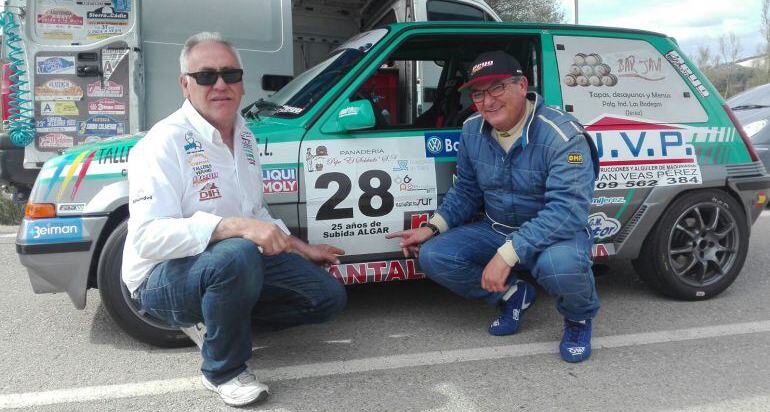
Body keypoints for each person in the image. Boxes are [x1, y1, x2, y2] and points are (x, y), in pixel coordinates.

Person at [122, 32, 347, 407]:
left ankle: (223, 322)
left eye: (230, 74)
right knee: (239, 251)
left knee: (327, 298)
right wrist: (234, 227)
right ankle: (223, 371)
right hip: (159, 279)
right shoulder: (162, 143)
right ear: (185, 84)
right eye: (206, 76)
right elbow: (147, 237)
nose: (221, 84)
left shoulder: (245, 138)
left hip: (227, 262)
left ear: (242, 82)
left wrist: (302, 248)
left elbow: (255, 212)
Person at [387, 50, 600, 363]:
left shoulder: (563, 136)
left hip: (555, 234)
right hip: (496, 227)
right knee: (434, 254)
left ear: (522, 85)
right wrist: (432, 226)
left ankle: (578, 319)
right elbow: (467, 191)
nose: (487, 102)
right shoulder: (473, 129)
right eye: (478, 93)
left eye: (497, 88)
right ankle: (514, 294)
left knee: (562, 267)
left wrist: (506, 254)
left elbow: (566, 212)